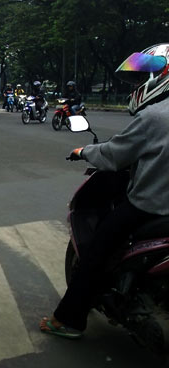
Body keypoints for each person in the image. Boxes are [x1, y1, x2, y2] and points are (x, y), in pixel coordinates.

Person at [40, 43, 169, 338]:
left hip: (152, 205)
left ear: (161, 74)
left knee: (97, 251)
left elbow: (115, 153)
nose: (137, 85)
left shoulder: (155, 117)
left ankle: (69, 320)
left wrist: (83, 151)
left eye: (141, 78)